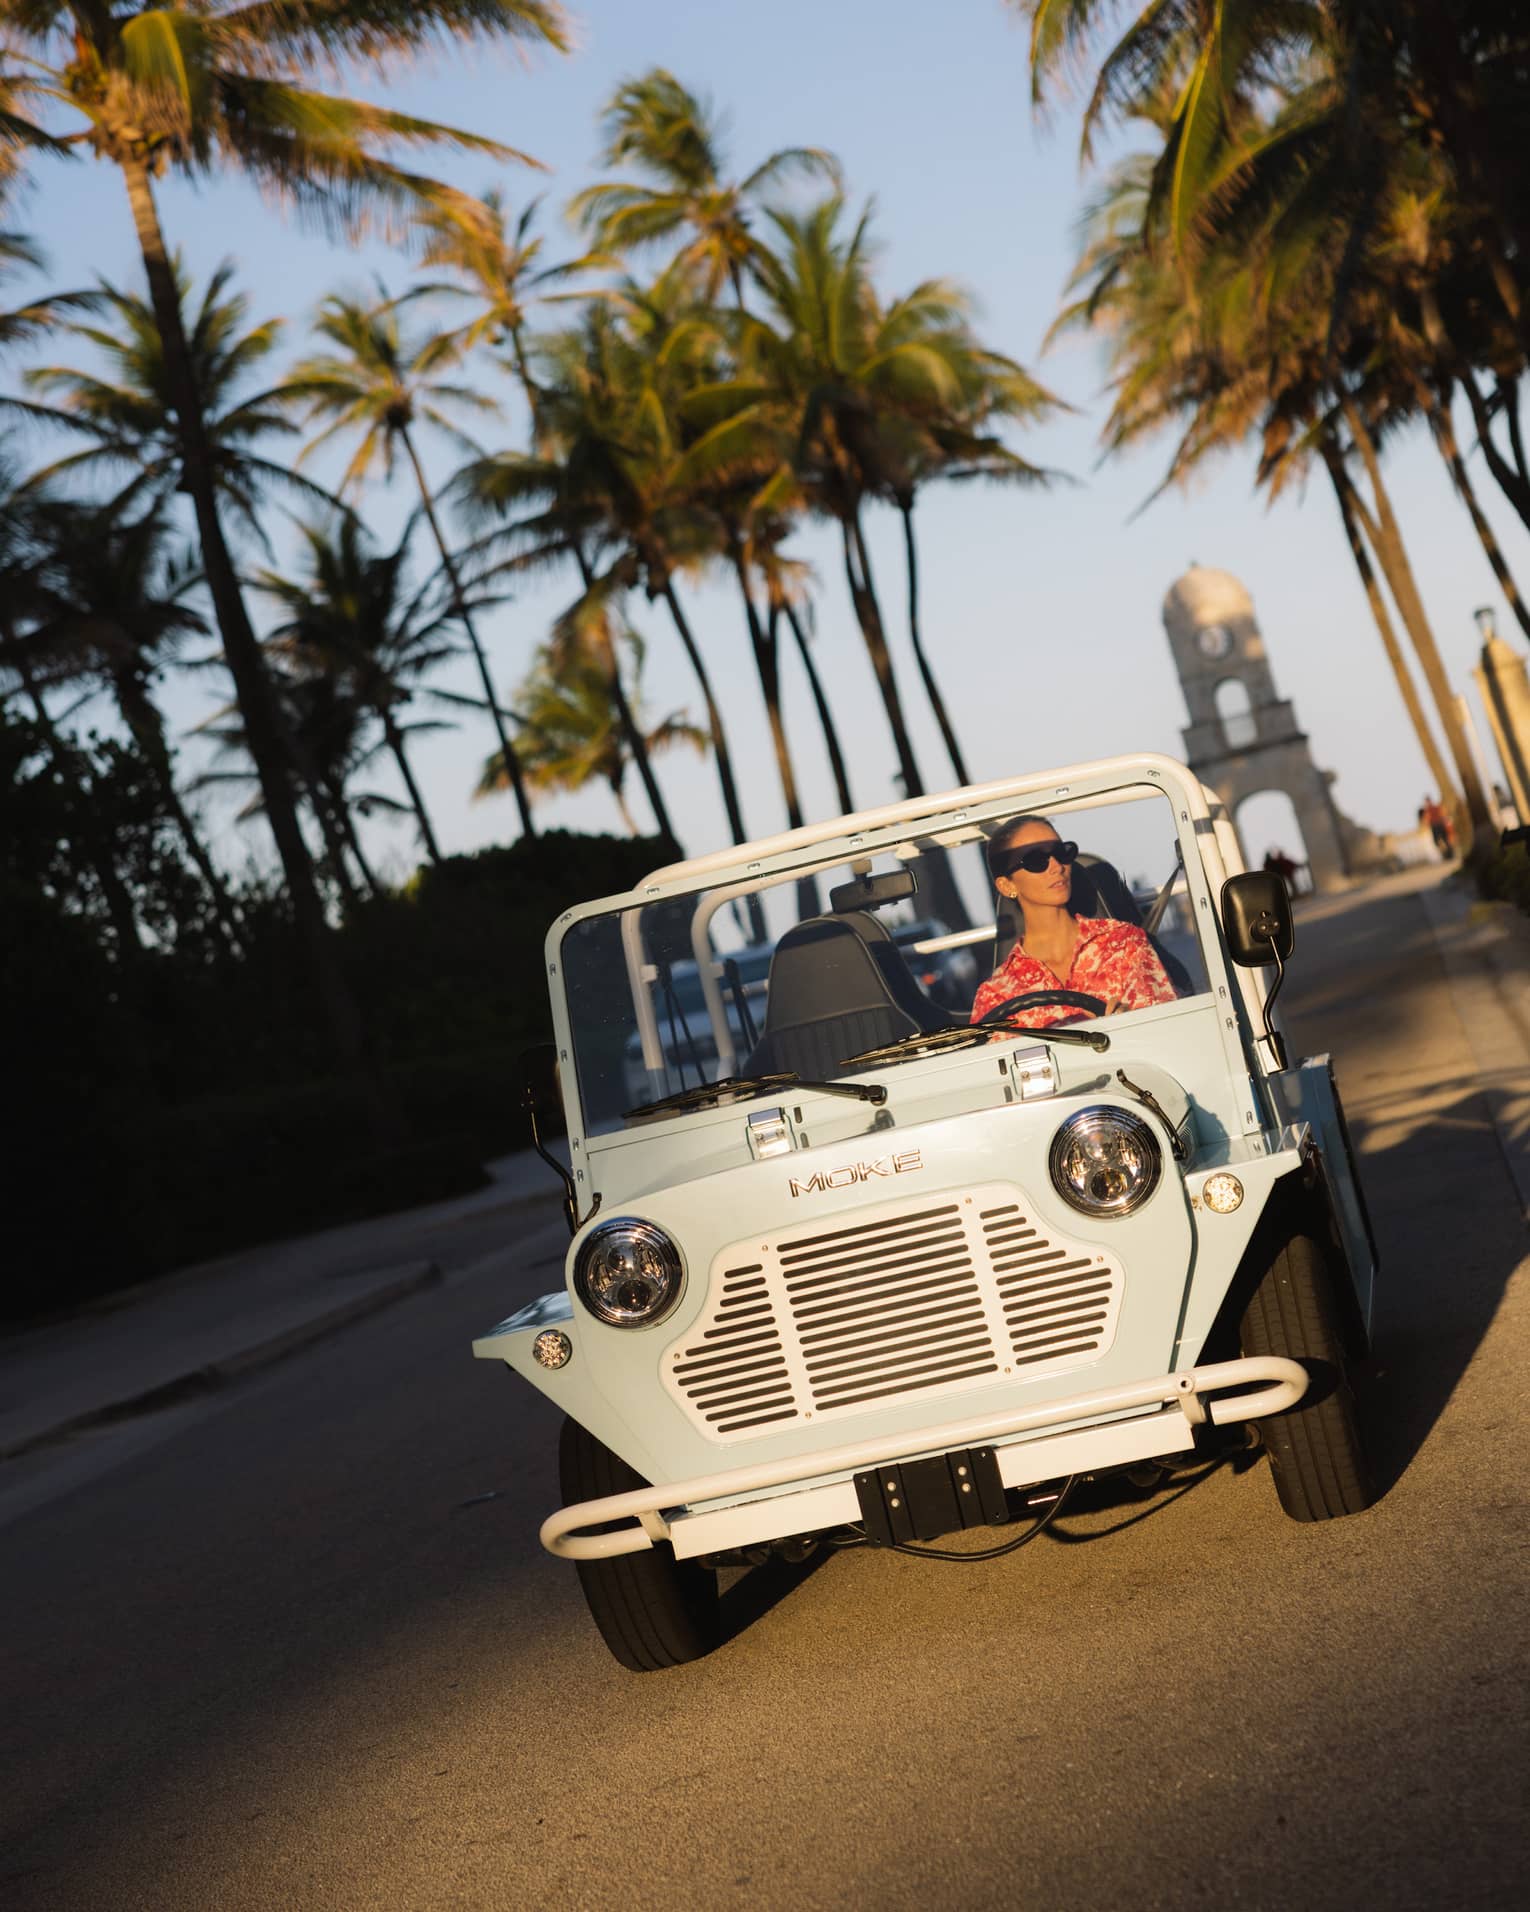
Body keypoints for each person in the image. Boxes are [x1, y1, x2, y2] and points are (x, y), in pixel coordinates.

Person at [971, 815, 1179, 1028]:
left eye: (1061, 853)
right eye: (1036, 860)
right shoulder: (994, 995)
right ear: (1006, 886)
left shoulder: (1124, 943)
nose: (1057, 866)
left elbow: (1167, 1032)